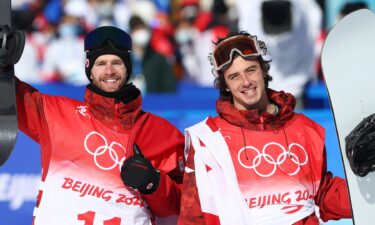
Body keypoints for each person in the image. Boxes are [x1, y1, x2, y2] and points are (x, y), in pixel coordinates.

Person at [1, 25, 184, 224]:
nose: (109, 71)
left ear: (128, 68)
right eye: (100, 63)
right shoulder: (56, 114)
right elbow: (10, 96)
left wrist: (153, 183)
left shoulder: (162, 133)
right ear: (89, 69)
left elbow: (184, 205)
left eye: (117, 62)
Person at [177, 31, 352, 225]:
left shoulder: (304, 128)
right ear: (225, 85)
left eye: (251, 70)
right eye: (234, 76)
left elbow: (323, 195)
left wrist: (365, 186)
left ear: (263, 70)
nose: (246, 82)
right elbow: (193, 214)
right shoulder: (209, 139)